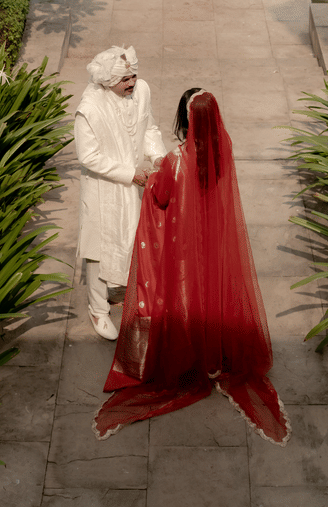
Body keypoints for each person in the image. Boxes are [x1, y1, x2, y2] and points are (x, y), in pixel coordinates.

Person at [92, 89, 291, 446]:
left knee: (187, 294)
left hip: (184, 245)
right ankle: (216, 353)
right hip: (213, 240)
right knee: (212, 291)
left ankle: (190, 356)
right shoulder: (222, 152)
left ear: (187, 119)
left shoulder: (176, 160)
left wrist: (153, 173)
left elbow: (161, 195)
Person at [75, 46, 166, 341]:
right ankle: (98, 310)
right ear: (106, 81)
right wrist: (130, 174)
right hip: (105, 188)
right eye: (124, 80)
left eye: (134, 76)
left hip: (134, 187)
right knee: (99, 249)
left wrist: (157, 157)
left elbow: (149, 127)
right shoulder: (89, 108)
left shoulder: (142, 91)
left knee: (131, 239)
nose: (131, 84)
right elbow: (88, 157)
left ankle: (119, 289)